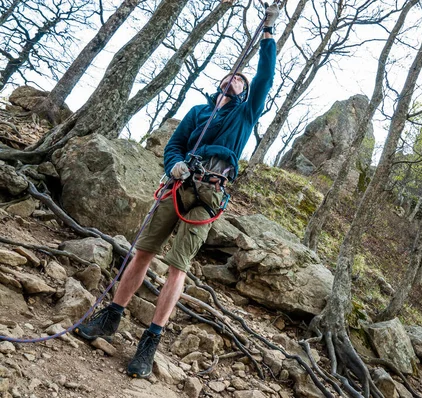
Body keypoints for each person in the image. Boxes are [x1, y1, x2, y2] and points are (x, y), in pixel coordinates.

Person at [73, 3, 280, 379]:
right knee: (142, 253)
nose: (235, 79)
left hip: (208, 195)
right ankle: (111, 317)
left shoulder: (244, 114)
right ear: (220, 83)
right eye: (231, 76)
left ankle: (150, 342)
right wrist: (174, 165)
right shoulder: (197, 113)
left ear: (244, 92)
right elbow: (174, 146)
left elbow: (265, 76)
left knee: (177, 267)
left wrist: (268, 30)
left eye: (241, 80)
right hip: (178, 185)